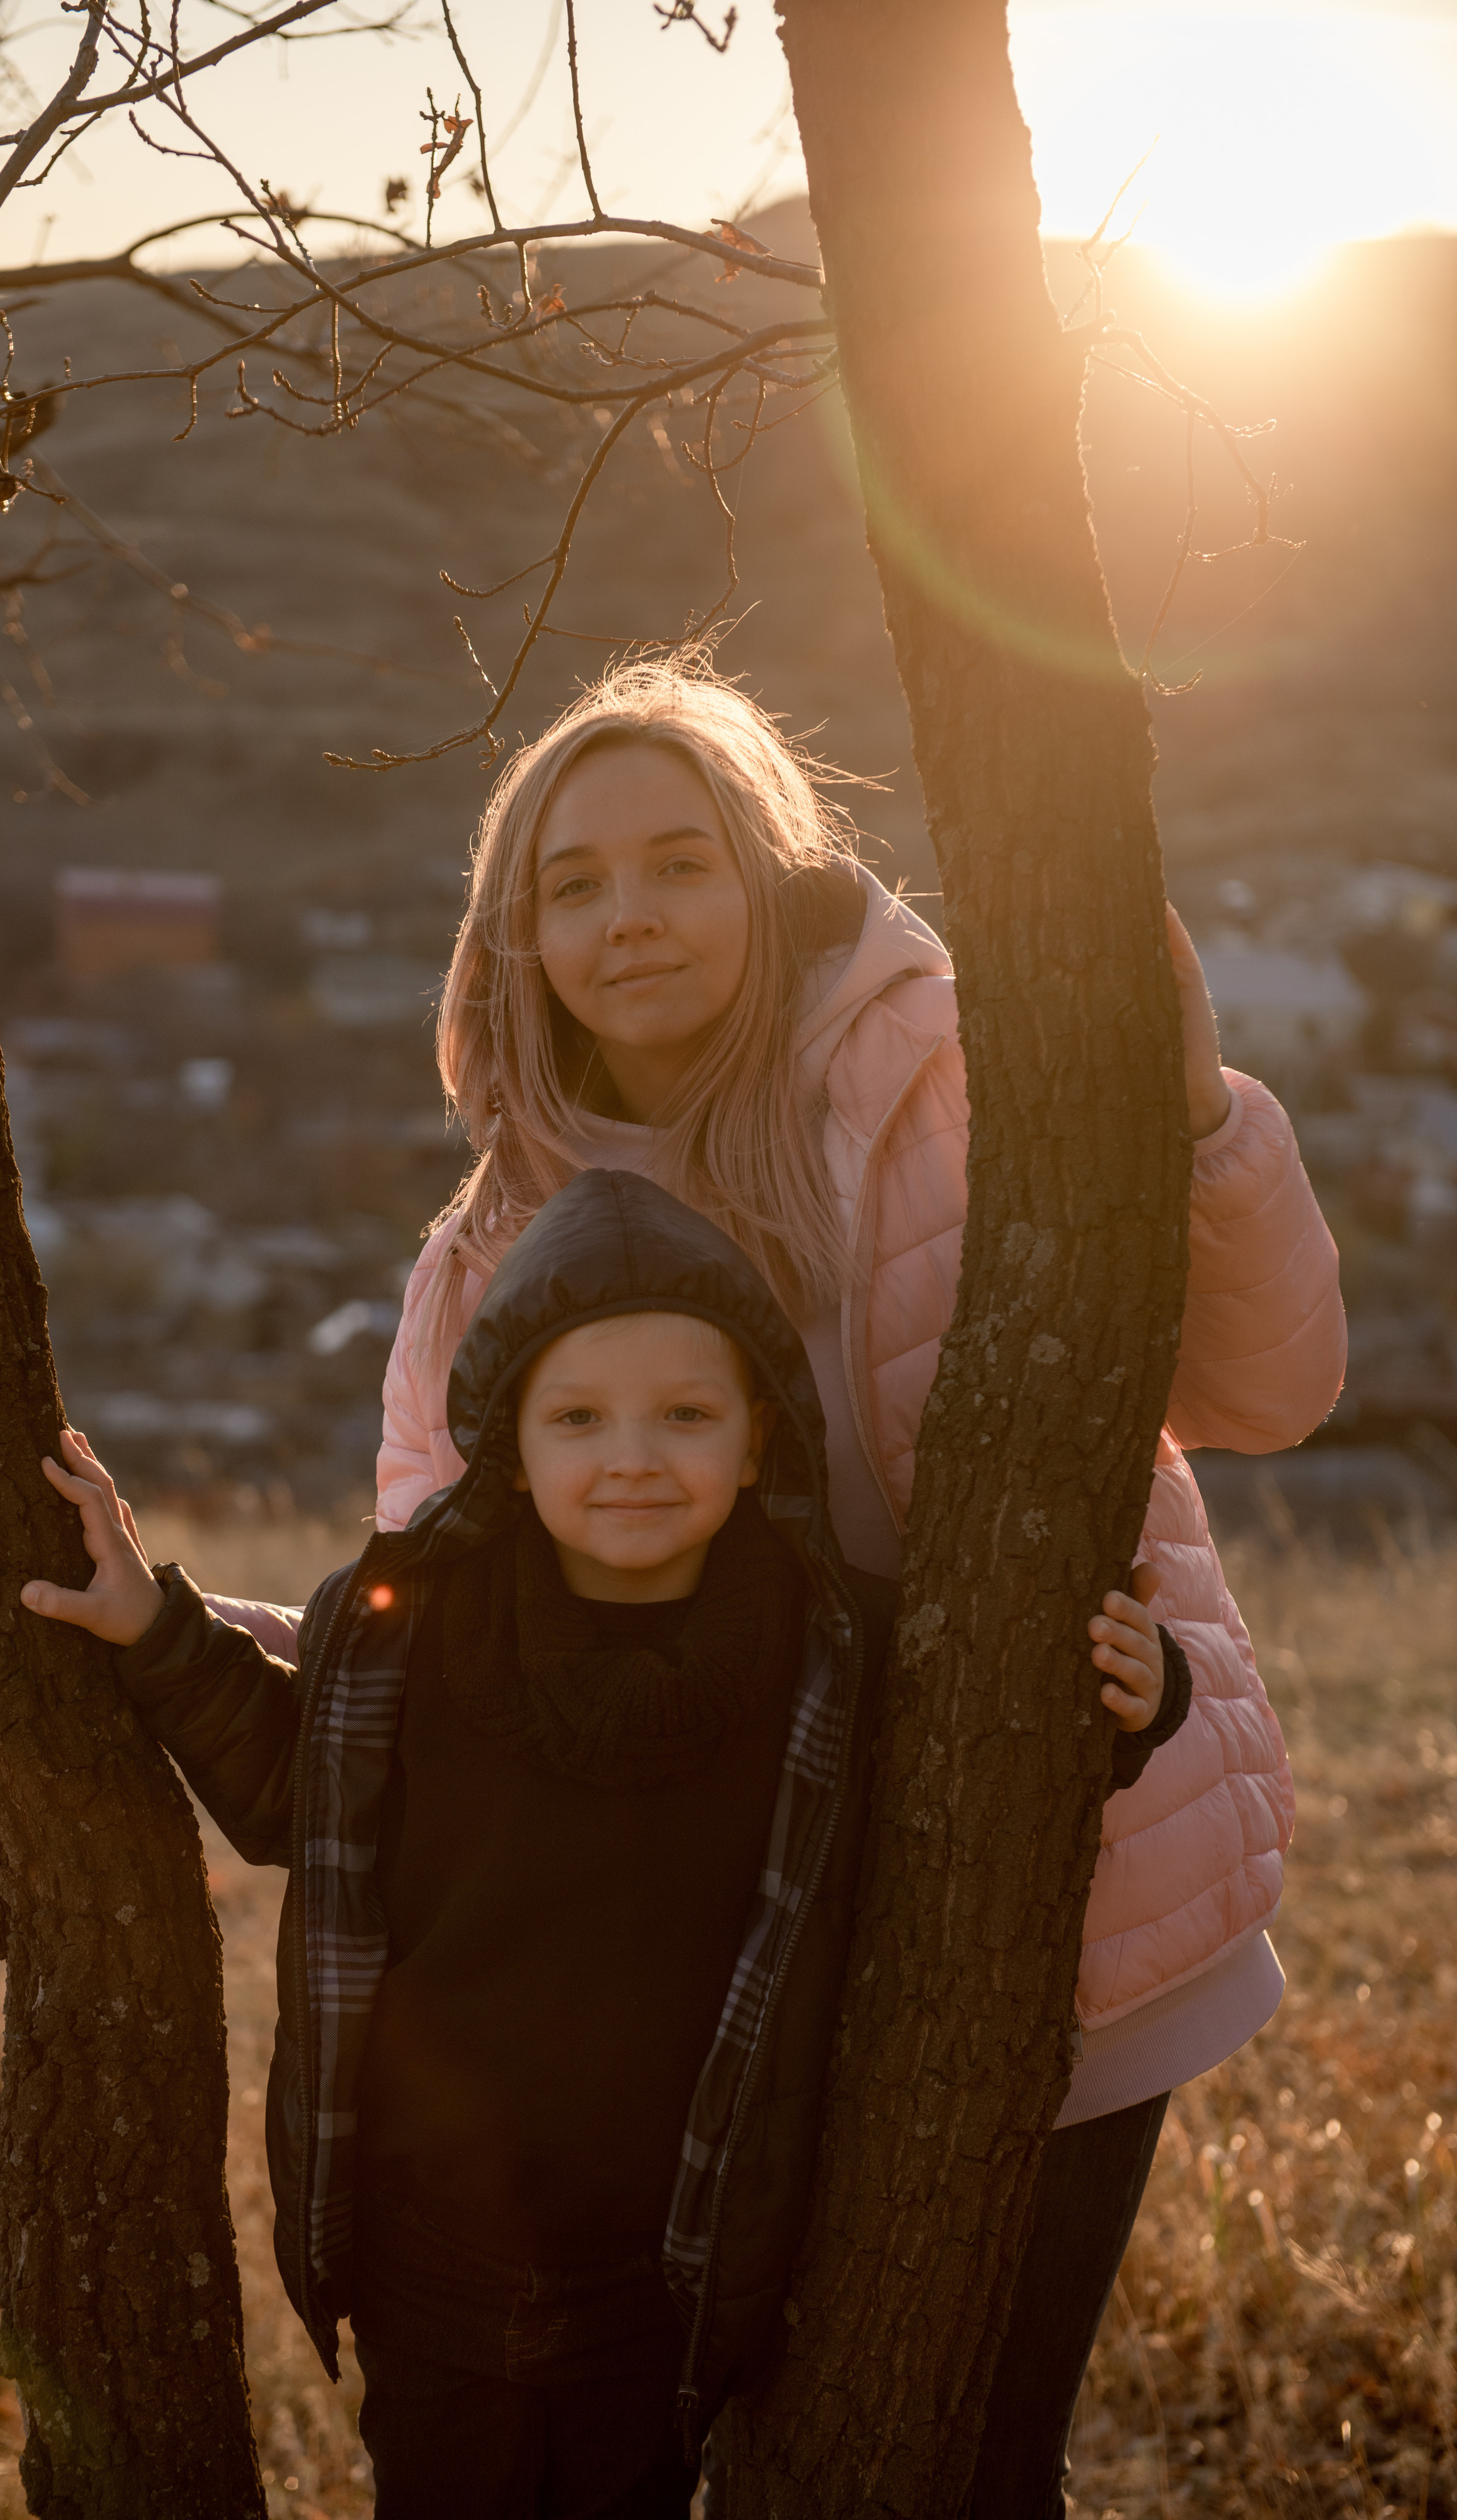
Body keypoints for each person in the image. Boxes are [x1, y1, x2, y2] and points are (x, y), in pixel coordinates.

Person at [314, 658, 1345, 2512]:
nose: (628, 917)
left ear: (767, 874)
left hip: (1067, 1878)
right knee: (787, 2460)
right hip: (723, 1956)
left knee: (960, 2453)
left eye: (678, 863)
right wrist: (174, 1636)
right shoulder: (488, 1258)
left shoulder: (958, 1064)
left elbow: (1270, 1392)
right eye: (573, 884)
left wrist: (1196, 1121)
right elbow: (438, 1652)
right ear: (518, 937)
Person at [20, 1169, 1189, 2520]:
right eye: (576, 1417)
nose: (631, 1455)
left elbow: (979, 1786)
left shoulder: (839, 1648)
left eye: (685, 1415)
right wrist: (154, 1635)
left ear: (759, 1439)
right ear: (508, 1443)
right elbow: (298, 1790)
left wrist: (1133, 1700)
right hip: (429, 2246)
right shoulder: (409, 1621)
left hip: (678, 2264)